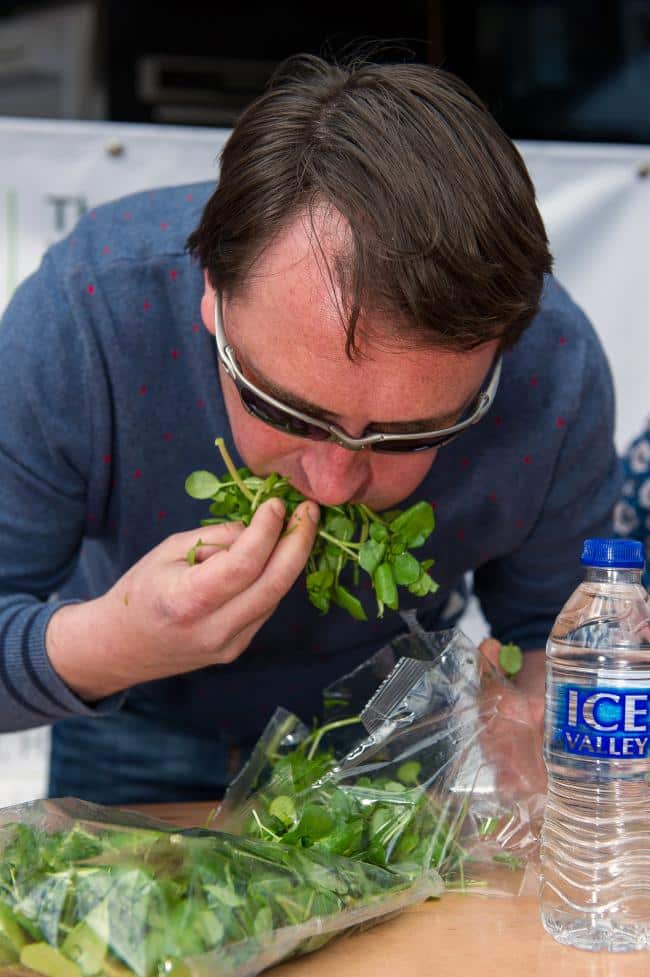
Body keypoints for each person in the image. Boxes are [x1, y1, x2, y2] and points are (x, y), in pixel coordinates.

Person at [0, 53, 622, 805]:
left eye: (405, 436)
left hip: (382, 729)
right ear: (211, 295)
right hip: (132, 714)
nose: (333, 483)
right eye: (287, 410)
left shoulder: (554, 368)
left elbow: (552, 639)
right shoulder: (88, 314)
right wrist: (115, 643)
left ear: (498, 358)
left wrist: (539, 713)